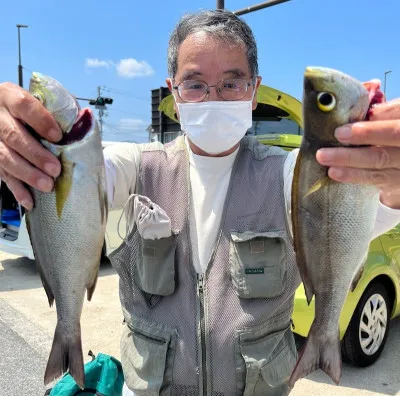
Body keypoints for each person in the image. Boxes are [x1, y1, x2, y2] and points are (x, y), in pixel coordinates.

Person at [1, 9, 400, 396]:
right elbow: (74, 177)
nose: (215, 98)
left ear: (254, 91)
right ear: (173, 91)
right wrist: (26, 149)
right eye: (194, 83)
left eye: (232, 83)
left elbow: (358, 207)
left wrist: (386, 179)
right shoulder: (133, 166)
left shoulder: (289, 174)